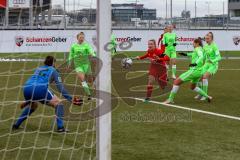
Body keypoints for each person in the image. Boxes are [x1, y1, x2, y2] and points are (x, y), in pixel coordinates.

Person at [12, 56, 82, 132]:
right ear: (53, 63)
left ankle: (16, 124)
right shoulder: (54, 71)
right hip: (40, 89)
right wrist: (70, 99)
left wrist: (27, 101)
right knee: (59, 104)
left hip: (26, 88)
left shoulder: (39, 69)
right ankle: (60, 128)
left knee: (33, 106)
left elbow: (35, 86)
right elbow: (60, 88)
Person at [164, 38, 212, 104]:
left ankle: (170, 99)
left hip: (194, 70)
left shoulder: (197, 49)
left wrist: (195, 63)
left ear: (197, 43)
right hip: (199, 72)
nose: (193, 44)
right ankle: (207, 96)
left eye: (193, 43)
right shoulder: (201, 49)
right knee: (193, 87)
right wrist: (185, 54)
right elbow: (194, 54)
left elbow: (200, 56)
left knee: (176, 82)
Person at [68, 32, 96, 100]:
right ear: (77, 38)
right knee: (82, 80)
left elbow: (91, 51)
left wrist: (93, 55)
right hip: (78, 65)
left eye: (83, 37)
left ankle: (94, 83)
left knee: (90, 80)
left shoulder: (86, 45)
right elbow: (71, 55)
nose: (82, 39)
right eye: (80, 37)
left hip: (86, 65)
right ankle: (89, 95)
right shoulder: (73, 46)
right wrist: (69, 63)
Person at [195, 32, 222, 100]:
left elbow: (219, 57)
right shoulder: (205, 46)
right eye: (206, 38)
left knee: (205, 77)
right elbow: (203, 57)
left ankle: (205, 95)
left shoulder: (214, 46)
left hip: (213, 65)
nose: (206, 39)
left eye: (208, 37)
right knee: (198, 76)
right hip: (206, 64)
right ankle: (200, 94)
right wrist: (197, 63)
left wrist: (212, 61)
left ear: (211, 38)